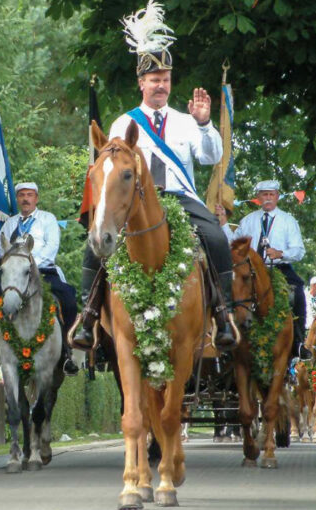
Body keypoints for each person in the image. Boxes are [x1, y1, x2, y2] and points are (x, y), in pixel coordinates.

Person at [72, 1, 239, 351]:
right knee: (95, 243)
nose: (160, 86)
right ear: (141, 83)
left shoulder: (185, 120)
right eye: (154, 80)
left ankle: (224, 316)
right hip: (136, 201)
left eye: (165, 80)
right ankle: (87, 317)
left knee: (218, 238)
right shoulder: (123, 123)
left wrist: (206, 123)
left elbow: (212, 157)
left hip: (180, 198)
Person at [0, 182, 79, 376]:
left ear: (36, 198)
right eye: (22, 195)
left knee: (69, 299)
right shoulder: (10, 223)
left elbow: (52, 247)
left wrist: (30, 264)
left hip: (44, 271)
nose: (25, 199)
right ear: (18, 199)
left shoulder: (48, 219)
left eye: (29, 195)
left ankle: (67, 353)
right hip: (14, 276)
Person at [218, 180, 307, 358]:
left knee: (297, 292)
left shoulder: (288, 221)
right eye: (264, 194)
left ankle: (298, 343)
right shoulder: (248, 220)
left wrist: (281, 253)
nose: (267, 198)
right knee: (226, 289)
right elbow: (233, 245)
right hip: (249, 270)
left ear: (277, 197)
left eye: (271, 194)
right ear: (258, 198)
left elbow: (299, 251)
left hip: (278, 268)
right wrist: (223, 224)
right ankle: (226, 333)